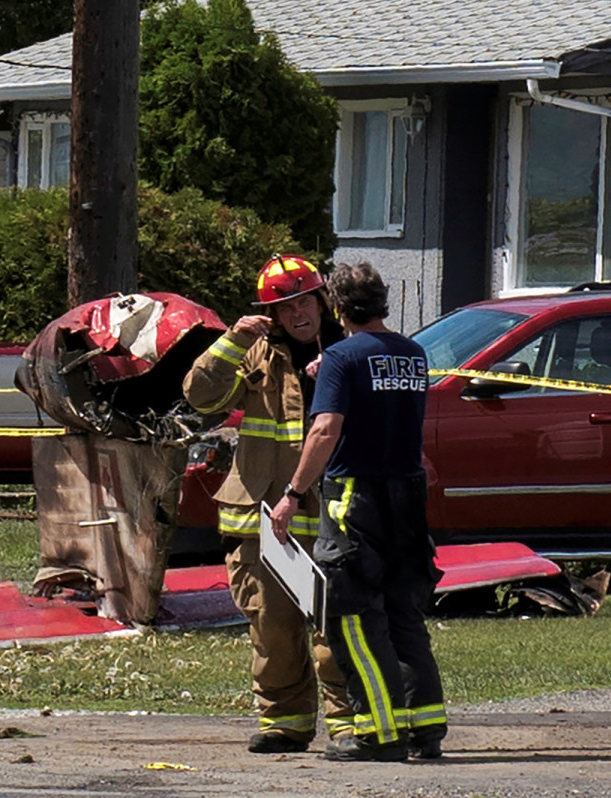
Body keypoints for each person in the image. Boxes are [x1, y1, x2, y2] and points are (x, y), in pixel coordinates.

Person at [269, 261, 448, 762]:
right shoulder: (413, 354)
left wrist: (292, 492)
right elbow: (382, 396)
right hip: (408, 499)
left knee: (352, 618)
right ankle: (424, 729)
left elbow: (326, 429)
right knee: (403, 615)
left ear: (337, 307)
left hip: (355, 498)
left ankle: (378, 734)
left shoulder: (343, 358)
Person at [183, 254, 353, 754]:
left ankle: (348, 723)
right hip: (264, 519)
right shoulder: (254, 352)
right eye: (284, 306)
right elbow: (200, 396)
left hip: (331, 513)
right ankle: (286, 721)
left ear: (321, 301)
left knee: (334, 626)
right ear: (270, 314)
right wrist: (233, 339)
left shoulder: (350, 348)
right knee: (272, 626)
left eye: (304, 301)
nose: (297, 313)